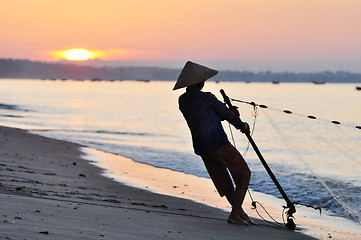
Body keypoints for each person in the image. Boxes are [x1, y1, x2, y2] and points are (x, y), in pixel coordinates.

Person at [173, 61, 254, 225]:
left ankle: (240, 215)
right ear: (198, 82)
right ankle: (235, 215)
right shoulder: (207, 98)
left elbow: (208, 115)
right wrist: (242, 125)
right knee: (244, 173)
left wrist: (226, 113)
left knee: (223, 180)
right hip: (218, 143)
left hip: (202, 147)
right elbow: (225, 114)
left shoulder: (183, 101)